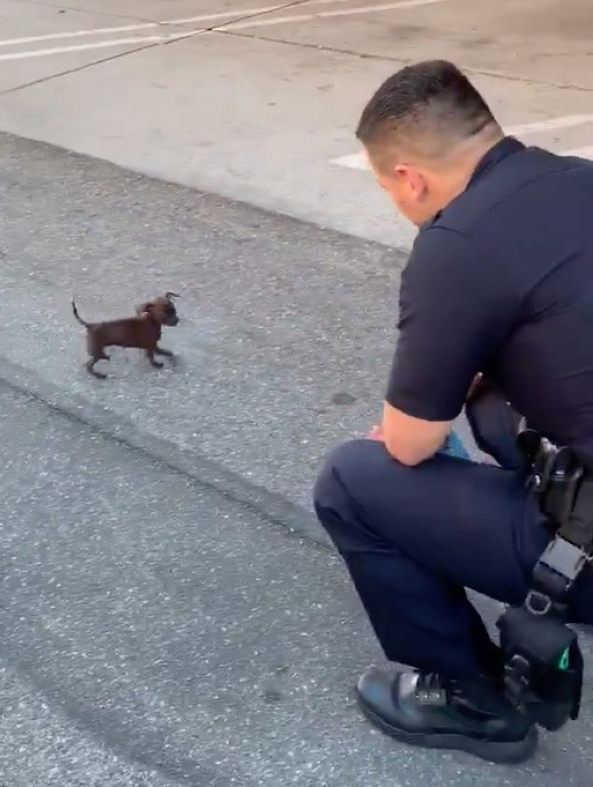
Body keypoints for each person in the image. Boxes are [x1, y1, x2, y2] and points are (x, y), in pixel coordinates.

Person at [313, 59, 593, 765]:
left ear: (410, 178)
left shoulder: (457, 244)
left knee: (352, 482)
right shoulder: (578, 180)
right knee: (492, 397)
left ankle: (477, 703)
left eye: (388, 188)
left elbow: (407, 444)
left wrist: (412, 428)